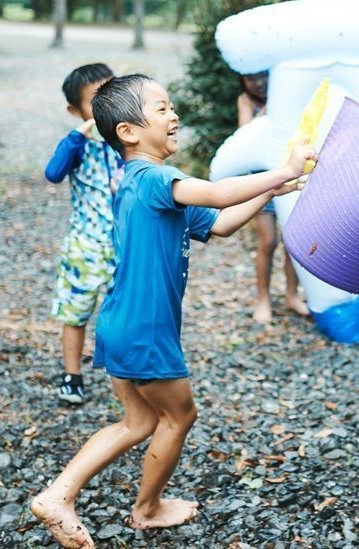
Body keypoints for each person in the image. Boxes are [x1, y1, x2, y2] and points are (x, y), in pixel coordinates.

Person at [30, 74, 316, 549]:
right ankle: (146, 509)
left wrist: (270, 191)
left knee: (138, 423)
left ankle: (59, 495)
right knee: (179, 417)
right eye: (161, 108)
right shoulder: (156, 179)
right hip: (145, 330)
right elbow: (220, 194)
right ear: (128, 132)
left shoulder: (150, 186)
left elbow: (221, 223)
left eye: (171, 106)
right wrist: (283, 170)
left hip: (121, 323)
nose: (174, 114)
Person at [44, 63, 122, 405]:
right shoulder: (77, 145)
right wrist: (79, 134)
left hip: (124, 244)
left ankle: (124, 376)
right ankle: (72, 375)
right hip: (85, 244)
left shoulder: (126, 138)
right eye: (95, 100)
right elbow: (53, 173)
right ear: (75, 110)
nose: (105, 105)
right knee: (75, 313)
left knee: (121, 311)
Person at [237, 71, 309, 324]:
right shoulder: (246, 100)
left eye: (262, 77)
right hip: (261, 178)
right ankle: (263, 300)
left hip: (290, 174)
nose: (258, 83)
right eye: (251, 79)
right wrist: (269, 110)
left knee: (293, 242)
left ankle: (292, 295)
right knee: (267, 242)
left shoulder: (287, 94)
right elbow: (245, 133)